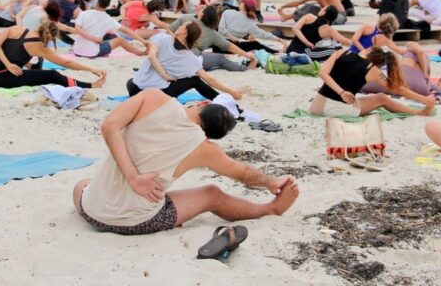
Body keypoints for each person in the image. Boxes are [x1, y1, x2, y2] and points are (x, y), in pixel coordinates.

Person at [73, 89, 299, 235]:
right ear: (210, 136)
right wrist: (271, 182)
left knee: (82, 183)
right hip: (136, 222)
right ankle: (270, 208)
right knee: (212, 194)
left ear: (201, 104)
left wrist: (132, 176)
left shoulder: (152, 97)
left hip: (91, 209)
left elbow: (108, 126)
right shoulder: (205, 148)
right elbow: (243, 173)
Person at [127, 22, 244, 102]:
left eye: (182, 26)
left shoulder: (161, 37)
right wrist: (231, 92)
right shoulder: (189, 57)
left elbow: (151, 56)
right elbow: (209, 79)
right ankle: (220, 100)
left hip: (134, 89)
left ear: (185, 33)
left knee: (131, 81)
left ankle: (224, 98)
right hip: (157, 95)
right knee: (195, 80)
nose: (179, 26)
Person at [309, 47, 435, 117]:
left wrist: (341, 92)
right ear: (378, 64)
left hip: (315, 106)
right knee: (381, 98)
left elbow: (322, 73)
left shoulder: (342, 52)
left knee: (374, 97)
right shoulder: (372, 70)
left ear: (368, 50)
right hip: (334, 109)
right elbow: (397, 89)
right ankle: (419, 112)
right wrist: (424, 100)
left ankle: (421, 111)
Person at [0, 21, 106, 89]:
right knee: (52, 74)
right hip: (5, 79)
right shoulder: (40, 47)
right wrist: (91, 68)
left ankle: (31, 66)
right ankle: (91, 85)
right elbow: (67, 63)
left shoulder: (15, 28)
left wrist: (10, 63)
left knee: (36, 65)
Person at [170, 6, 258, 72]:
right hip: (189, 60)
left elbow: (169, 30)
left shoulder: (186, 18)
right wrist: (247, 55)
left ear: (202, 14)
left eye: (202, 10)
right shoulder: (213, 34)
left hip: (171, 54)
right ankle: (245, 69)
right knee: (220, 58)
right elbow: (230, 46)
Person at [71, 0, 147, 58]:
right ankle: (140, 53)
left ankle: (104, 50)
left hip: (77, 50)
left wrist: (94, 38)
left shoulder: (84, 13)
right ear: (108, 5)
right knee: (120, 40)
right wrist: (143, 40)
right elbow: (128, 31)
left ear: (97, 2)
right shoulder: (108, 19)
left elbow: (77, 29)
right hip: (91, 52)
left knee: (108, 35)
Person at [218, 0, 286, 53]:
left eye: (242, 2)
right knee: (255, 44)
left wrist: (233, 37)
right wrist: (279, 40)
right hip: (231, 47)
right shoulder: (249, 23)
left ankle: (276, 52)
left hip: (218, 46)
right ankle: (276, 52)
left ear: (243, 5)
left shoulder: (228, 12)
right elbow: (263, 34)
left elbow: (221, 29)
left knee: (253, 42)